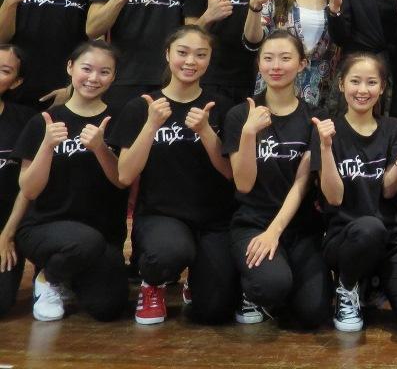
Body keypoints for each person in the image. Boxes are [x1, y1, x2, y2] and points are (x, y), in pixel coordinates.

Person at [112, 25, 237, 325]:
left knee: (216, 310)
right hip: (161, 214)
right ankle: (152, 283)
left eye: (200, 54)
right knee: (169, 252)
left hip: (213, 219)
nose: (190, 61)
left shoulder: (220, 107)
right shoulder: (142, 106)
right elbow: (125, 175)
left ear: (209, 60)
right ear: (168, 54)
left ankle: (199, 279)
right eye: (182, 52)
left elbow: (231, 174)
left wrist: (207, 132)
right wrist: (151, 125)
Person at [221, 30, 330, 329]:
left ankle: (282, 275)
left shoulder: (314, 117)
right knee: (272, 286)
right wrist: (248, 133)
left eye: (285, 58)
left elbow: (301, 183)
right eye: (268, 58)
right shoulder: (239, 114)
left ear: (302, 64)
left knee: (313, 314)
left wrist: (276, 231)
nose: (276, 66)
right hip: (252, 222)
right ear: (258, 64)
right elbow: (243, 184)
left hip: (299, 225)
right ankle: (250, 287)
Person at [14, 40, 129, 321]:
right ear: (70, 67)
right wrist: (47, 146)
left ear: (114, 76)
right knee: (83, 242)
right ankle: (49, 278)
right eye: (86, 69)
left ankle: (71, 276)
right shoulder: (44, 120)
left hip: (103, 235)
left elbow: (121, 181)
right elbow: (29, 189)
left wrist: (101, 148)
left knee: (108, 308)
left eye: (104, 72)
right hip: (45, 227)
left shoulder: (120, 118)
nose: (93, 78)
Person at [312, 52, 397, 332]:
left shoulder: (394, 129)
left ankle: (372, 281)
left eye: (372, 82)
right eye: (355, 81)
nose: (363, 90)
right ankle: (347, 286)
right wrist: (325, 148)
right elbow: (334, 198)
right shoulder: (327, 129)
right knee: (369, 229)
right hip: (345, 238)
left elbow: (388, 190)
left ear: (383, 87)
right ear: (341, 84)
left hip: (389, 239)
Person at [0, 45, 35, 317]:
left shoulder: (25, 120)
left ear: (16, 81)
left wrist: (8, 234)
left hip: (7, 222)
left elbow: (27, 188)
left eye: (4, 70)